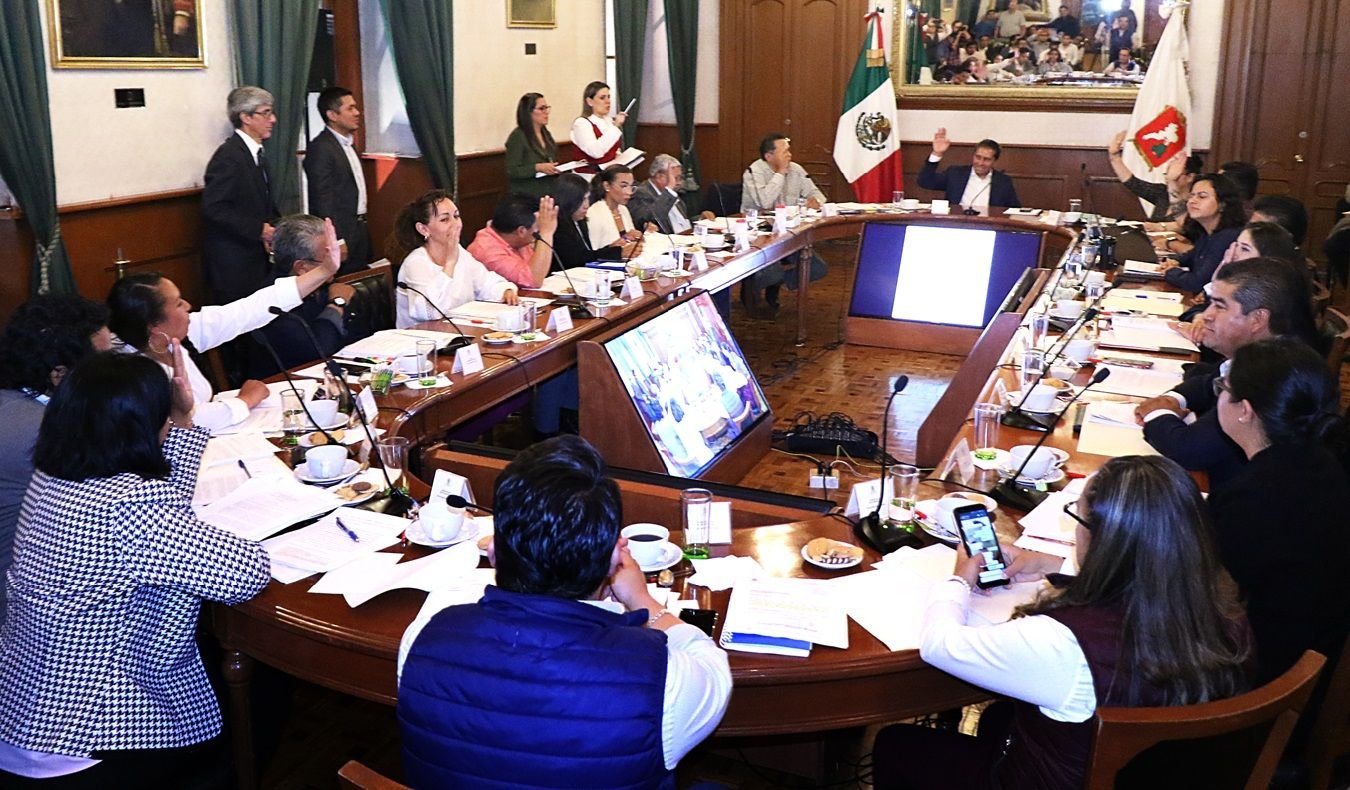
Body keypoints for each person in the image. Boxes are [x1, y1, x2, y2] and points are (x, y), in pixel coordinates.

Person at [872, 455, 1250, 790]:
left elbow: (940, 645)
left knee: (898, 745)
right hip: (1153, 773)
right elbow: (1138, 576)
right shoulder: (1221, 602)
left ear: (1101, 538)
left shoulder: (1064, 643)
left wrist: (958, 581)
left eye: (1078, 518)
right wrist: (1052, 564)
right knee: (999, 716)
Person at [397, 436, 732, 788]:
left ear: (494, 550)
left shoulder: (420, 638)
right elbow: (710, 663)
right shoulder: (667, 678)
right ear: (614, 558)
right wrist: (642, 601)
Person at [0, 352, 270, 784]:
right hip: (92, 734)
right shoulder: (128, 504)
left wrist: (181, 421)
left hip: (30, 711)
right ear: (143, 426)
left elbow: (164, 503)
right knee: (262, 691)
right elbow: (244, 575)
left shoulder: (54, 475)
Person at [106, 218, 342, 432]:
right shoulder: (132, 373)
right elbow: (186, 419)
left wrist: (324, 271)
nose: (188, 305)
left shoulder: (180, 333)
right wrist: (244, 401)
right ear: (155, 325)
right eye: (178, 303)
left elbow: (249, 310)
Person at [1209, 338, 1350, 693]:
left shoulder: (1251, 497)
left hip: (1259, 674)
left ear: (1245, 410)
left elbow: (1204, 593)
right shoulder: (1323, 462)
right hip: (1314, 646)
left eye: (1224, 388)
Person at [1136, 258, 1318, 487]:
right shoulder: (1266, 353)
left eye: (1220, 306)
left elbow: (1189, 449)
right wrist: (1172, 400)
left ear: (1257, 319)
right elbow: (1205, 383)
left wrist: (1156, 413)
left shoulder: (1273, 374)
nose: (1207, 315)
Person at [0, 296, 112, 621]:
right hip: (31, 614)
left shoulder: (14, 403)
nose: (115, 372)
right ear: (59, 374)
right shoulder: (47, 432)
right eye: (104, 361)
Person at [389, 189, 519, 329]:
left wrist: (505, 291)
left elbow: (486, 282)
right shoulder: (415, 263)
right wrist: (450, 263)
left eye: (456, 216)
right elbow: (430, 312)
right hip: (423, 339)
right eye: (445, 219)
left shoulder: (460, 253)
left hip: (458, 333)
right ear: (423, 229)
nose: (456, 224)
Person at [201, 86, 280, 304]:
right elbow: (214, 208)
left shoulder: (257, 154)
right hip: (235, 267)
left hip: (256, 261)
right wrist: (259, 229)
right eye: (266, 113)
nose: (273, 119)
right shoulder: (228, 157)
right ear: (245, 117)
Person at [253, 214, 355, 375]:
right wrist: (336, 304)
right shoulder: (273, 302)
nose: (335, 264)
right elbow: (319, 350)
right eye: (328, 259)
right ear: (301, 267)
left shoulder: (326, 285)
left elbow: (357, 334)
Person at [740, 133, 827, 318]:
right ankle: (753, 286)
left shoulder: (796, 170)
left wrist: (815, 201)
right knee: (773, 273)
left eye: (789, 151)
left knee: (818, 268)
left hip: (790, 232)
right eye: (784, 151)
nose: (789, 155)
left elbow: (818, 194)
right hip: (760, 233)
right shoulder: (753, 172)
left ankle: (773, 282)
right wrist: (780, 173)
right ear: (769, 156)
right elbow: (764, 202)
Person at [304, 86, 371, 276]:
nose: (357, 113)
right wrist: (337, 240)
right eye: (350, 108)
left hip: (359, 228)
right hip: (341, 234)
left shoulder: (349, 145)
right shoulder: (321, 148)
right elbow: (322, 200)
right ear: (332, 115)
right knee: (343, 282)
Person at [1160, 173, 1247, 293]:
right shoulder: (1206, 233)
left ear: (1222, 204)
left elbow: (1198, 283)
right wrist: (1175, 262)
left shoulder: (1227, 237)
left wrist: (1170, 271)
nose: (1192, 201)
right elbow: (1190, 257)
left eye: (1202, 196)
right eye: (1191, 196)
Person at [466, 193, 560, 289]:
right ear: (521, 231)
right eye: (538, 229)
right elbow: (533, 280)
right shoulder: (487, 251)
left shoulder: (517, 239)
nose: (538, 233)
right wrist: (546, 232)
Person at [1107, 131, 1203, 222]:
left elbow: (1183, 225)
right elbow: (1132, 182)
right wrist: (1114, 156)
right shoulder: (1162, 192)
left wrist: (1160, 227)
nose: (1168, 177)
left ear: (1190, 177)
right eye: (1167, 173)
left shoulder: (1197, 201)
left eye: (1175, 174)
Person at [917, 128, 1020, 210]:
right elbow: (925, 181)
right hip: (957, 223)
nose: (980, 163)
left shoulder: (1003, 181)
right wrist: (937, 153)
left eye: (986, 159)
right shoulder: (955, 174)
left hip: (990, 225)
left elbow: (1014, 209)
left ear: (995, 161)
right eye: (978, 157)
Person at [550, 173, 622, 268]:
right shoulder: (556, 225)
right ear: (568, 199)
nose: (586, 205)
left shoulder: (579, 220)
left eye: (587, 199)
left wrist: (611, 247)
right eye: (582, 199)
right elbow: (575, 260)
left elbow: (586, 255)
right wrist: (617, 252)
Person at [628, 153, 708, 235]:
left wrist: (700, 219)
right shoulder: (641, 194)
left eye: (680, 178)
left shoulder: (671, 193)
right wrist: (669, 189)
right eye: (675, 178)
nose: (679, 182)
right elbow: (652, 218)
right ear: (659, 177)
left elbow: (682, 224)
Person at [504, 92, 560, 199]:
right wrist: (536, 167)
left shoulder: (545, 133)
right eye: (541, 108)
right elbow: (511, 170)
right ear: (528, 112)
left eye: (547, 108)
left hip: (548, 191)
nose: (546, 112)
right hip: (526, 195)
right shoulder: (518, 136)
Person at [569, 81, 628, 174]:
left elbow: (614, 149)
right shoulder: (581, 123)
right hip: (588, 176)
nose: (608, 101)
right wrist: (616, 126)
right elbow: (595, 152)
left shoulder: (608, 120)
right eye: (602, 98)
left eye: (608, 97)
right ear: (590, 101)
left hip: (608, 174)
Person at [585, 165, 643, 254]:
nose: (629, 192)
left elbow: (627, 242)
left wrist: (636, 239)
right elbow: (593, 252)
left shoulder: (623, 209)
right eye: (624, 186)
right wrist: (613, 250)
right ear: (607, 186)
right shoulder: (594, 214)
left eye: (631, 186)